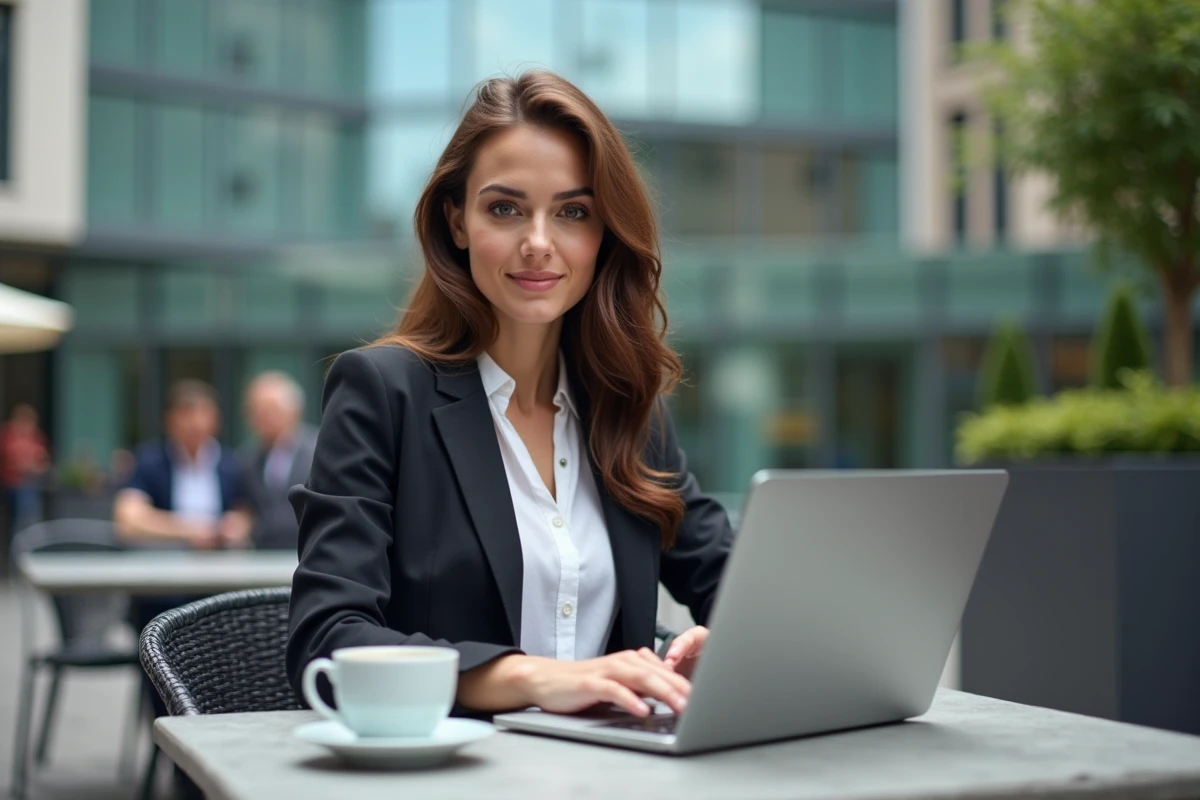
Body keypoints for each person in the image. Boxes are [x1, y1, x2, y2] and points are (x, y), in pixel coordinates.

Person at [287, 70, 734, 720]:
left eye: (573, 212)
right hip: (452, 765)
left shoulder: (629, 410)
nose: (538, 243)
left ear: (604, 232)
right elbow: (327, 640)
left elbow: (735, 583)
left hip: (613, 764)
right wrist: (532, 678)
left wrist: (727, 643)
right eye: (505, 208)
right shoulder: (382, 393)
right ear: (457, 221)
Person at [240, 371, 316, 551]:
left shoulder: (319, 450)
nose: (262, 417)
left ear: (294, 411)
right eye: (255, 410)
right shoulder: (247, 459)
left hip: (309, 551)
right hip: (263, 555)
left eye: (270, 409)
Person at [1, 404, 49, 534]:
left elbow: (43, 462)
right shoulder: (8, 435)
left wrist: (34, 467)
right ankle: (25, 533)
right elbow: (14, 462)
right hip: (12, 485)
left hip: (33, 484)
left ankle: (33, 531)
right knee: (26, 491)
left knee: (32, 490)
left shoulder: (36, 437)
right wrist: (30, 466)